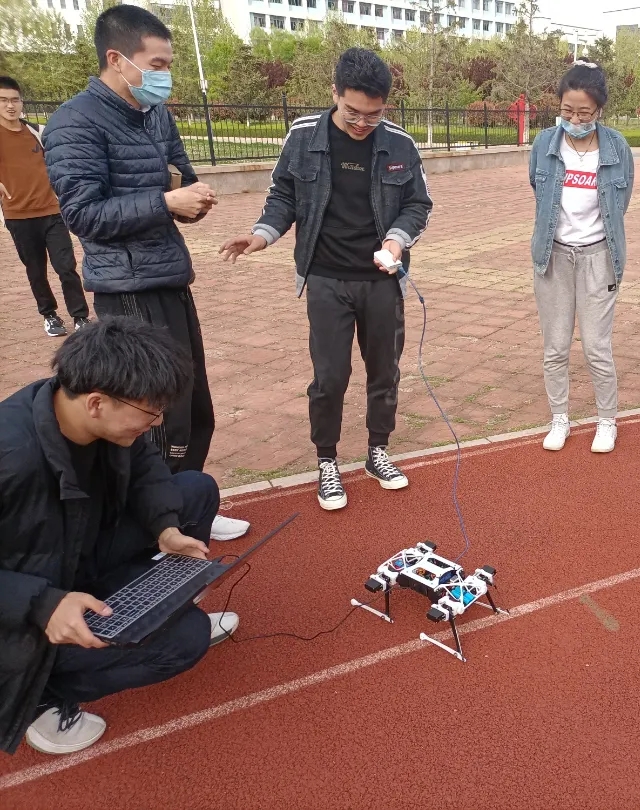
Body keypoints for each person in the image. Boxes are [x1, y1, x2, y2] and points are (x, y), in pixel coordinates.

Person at [42, 5, 248, 543]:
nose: (165, 75)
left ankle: (189, 502)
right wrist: (163, 202)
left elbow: (181, 175)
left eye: (169, 64)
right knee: (153, 415)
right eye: (156, 64)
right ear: (117, 59)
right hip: (127, 289)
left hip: (170, 276)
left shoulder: (155, 114)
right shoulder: (74, 122)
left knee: (193, 404)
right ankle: (157, 526)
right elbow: (82, 214)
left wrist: (193, 200)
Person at [0, 318, 240, 756]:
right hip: (25, 606)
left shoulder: (86, 409)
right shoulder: (11, 458)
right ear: (96, 403)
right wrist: (41, 604)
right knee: (185, 642)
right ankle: (41, 698)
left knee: (196, 490)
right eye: (150, 412)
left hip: (75, 550)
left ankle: (157, 605)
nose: (157, 421)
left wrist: (166, 528)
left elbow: (146, 467)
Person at [218, 48, 433, 511]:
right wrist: (262, 235)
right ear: (334, 93)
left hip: (381, 280)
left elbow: (419, 204)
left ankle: (378, 451)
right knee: (330, 377)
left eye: (373, 114)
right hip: (326, 278)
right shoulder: (303, 136)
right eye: (353, 112)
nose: (362, 123)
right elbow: (283, 195)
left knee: (385, 371)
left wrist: (396, 241)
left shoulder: (399, 143)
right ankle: (327, 461)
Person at [529, 62, 634, 454]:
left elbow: (620, 201)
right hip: (553, 256)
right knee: (555, 347)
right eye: (567, 111)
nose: (574, 120)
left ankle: (607, 420)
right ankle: (559, 418)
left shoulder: (616, 147)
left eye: (584, 114)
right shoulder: (545, 144)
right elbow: (538, 190)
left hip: (598, 257)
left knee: (596, 347)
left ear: (599, 110)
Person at [0, 75, 90, 337]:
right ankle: (49, 315)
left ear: (21, 102)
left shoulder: (37, 132)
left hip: (52, 211)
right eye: (3, 100)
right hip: (18, 215)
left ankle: (80, 316)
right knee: (36, 270)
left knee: (66, 267)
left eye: (14, 100)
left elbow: (62, 160)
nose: (10, 106)